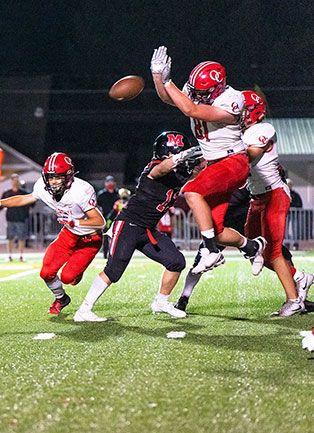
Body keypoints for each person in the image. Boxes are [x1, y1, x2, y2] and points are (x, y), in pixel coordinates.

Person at [176, 92, 314, 315]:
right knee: (257, 249)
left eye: (243, 111)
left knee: (274, 252)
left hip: (274, 195)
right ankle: (300, 277)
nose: (239, 115)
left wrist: (222, 155)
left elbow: (248, 156)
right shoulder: (239, 134)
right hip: (256, 197)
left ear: (254, 111)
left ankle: (294, 300)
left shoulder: (263, 129)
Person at [150, 47, 265, 275]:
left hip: (234, 161)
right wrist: (157, 76)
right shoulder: (199, 92)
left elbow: (191, 109)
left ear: (218, 87)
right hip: (215, 165)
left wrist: (169, 80)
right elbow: (168, 98)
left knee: (191, 191)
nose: (198, 95)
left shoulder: (233, 100)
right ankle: (253, 246)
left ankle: (211, 251)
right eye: (196, 91)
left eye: (204, 92)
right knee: (217, 228)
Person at [73, 131, 202, 321]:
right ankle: (84, 310)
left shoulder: (180, 175)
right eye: (179, 154)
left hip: (148, 230)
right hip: (128, 225)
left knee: (176, 262)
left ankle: (161, 301)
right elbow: (163, 168)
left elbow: (202, 169)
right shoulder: (154, 167)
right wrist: (183, 156)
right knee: (114, 270)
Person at [0, 152, 105, 315]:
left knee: (68, 278)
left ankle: (76, 272)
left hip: (90, 239)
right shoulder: (42, 187)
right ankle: (61, 298)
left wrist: (77, 222)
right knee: (46, 272)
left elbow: (100, 222)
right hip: (69, 234)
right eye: (50, 177)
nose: (53, 181)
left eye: (58, 177)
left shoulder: (81, 190)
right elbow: (25, 199)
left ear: (68, 176)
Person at [0, 174, 30, 261]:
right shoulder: (7, 193)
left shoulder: (24, 193)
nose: (15, 182)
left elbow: (30, 203)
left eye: (16, 180)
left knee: (21, 237)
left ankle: (21, 255)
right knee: (10, 238)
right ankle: (9, 255)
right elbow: (1, 204)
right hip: (10, 218)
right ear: (11, 181)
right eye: (13, 180)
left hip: (21, 218)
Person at [96, 175, 119, 258]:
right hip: (106, 218)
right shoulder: (101, 195)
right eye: (108, 181)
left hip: (117, 218)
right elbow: (97, 206)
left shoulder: (119, 193)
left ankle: (115, 254)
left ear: (115, 183)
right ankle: (105, 255)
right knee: (106, 236)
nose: (110, 183)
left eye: (111, 181)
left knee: (117, 236)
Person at [286, 178, 303, 250]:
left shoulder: (296, 195)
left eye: (290, 184)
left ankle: (295, 243)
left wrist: (293, 208)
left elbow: (300, 204)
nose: (289, 186)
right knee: (285, 229)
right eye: (287, 184)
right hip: (286, 214)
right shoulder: (284, 194)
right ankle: (286, 243)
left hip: (294, 214)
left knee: (295, 228)